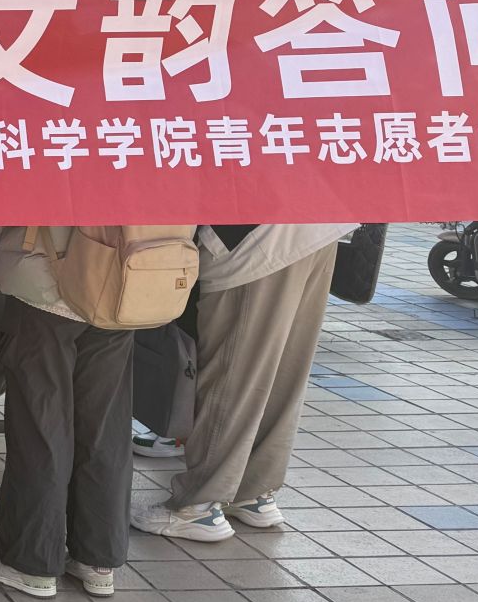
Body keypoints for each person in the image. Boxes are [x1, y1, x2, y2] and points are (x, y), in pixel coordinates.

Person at [132, 223, 346, 542]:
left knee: (233, 374)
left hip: (254, 235)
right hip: (319, 224)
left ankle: (199, 505)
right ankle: (253, 492)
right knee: (283, 370)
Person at [0, 227, 139, 600]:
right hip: (121, 283)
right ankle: (97, 561)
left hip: (45, 286)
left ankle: (31, 563)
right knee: (105, 429)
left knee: (41, 427)